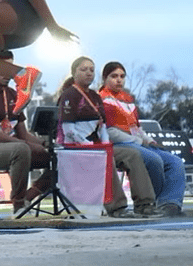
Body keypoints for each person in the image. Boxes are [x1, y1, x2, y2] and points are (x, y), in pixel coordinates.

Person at [57, 56, 159, 217]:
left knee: (132, 154)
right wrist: (91, 146)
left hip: (97, 146)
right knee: (104, 158)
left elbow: (103, 126)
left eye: (91, 70)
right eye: (84, 70)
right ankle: (117, 207)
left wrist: (105, 144)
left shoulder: (95, 96)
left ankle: (145, 204)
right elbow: (68, 130)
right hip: (75, 147)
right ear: (74, 73)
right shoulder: (69, 95)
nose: (89, 73)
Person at [0, 50, 54, 215]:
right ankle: (18, 205)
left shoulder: (14, 94)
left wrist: (45, 143)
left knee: (59, 157)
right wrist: (25, 144)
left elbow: (24, 134)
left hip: (12, 148)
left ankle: (29, 196)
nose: (9, 73)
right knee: (21, 150)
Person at [99, 61, 186, 216]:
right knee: (153, 159)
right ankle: (150, 202)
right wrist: (138, 141)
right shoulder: (102, 99)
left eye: (122, 76)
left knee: (175, 162)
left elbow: (136, 128)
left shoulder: (127, 100)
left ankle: (170, 203)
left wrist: (148, 140)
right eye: (114, 76)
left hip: (137, 142)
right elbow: (110, 131)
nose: (119, 80)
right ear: (105, 78)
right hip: (121, 144)